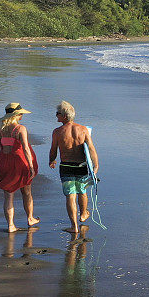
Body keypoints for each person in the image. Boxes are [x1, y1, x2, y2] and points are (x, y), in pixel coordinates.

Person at [49, 100, 99, 234]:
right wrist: (96, 165)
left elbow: (53, 149)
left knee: (70, 196)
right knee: (82, 191)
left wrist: (52, 160)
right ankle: (83, 214)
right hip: (81, 166)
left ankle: (74, 226)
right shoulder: (83, 129)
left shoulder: (57, 132)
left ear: (64, 115)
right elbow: (91, 149)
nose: (56, 116)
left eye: (57, 113)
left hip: (66, 166)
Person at [0, 102, 39, 232]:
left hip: (4, 161)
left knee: (8, 195)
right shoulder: (20, 129)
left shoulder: (0, 129)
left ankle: (10, 225)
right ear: (17, 115)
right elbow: (26, 148)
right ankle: (30, 218)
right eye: (20, 113)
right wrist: (31, 166)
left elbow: (2, 146)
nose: (22, 115)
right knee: (27, 192)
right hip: (19, 162)